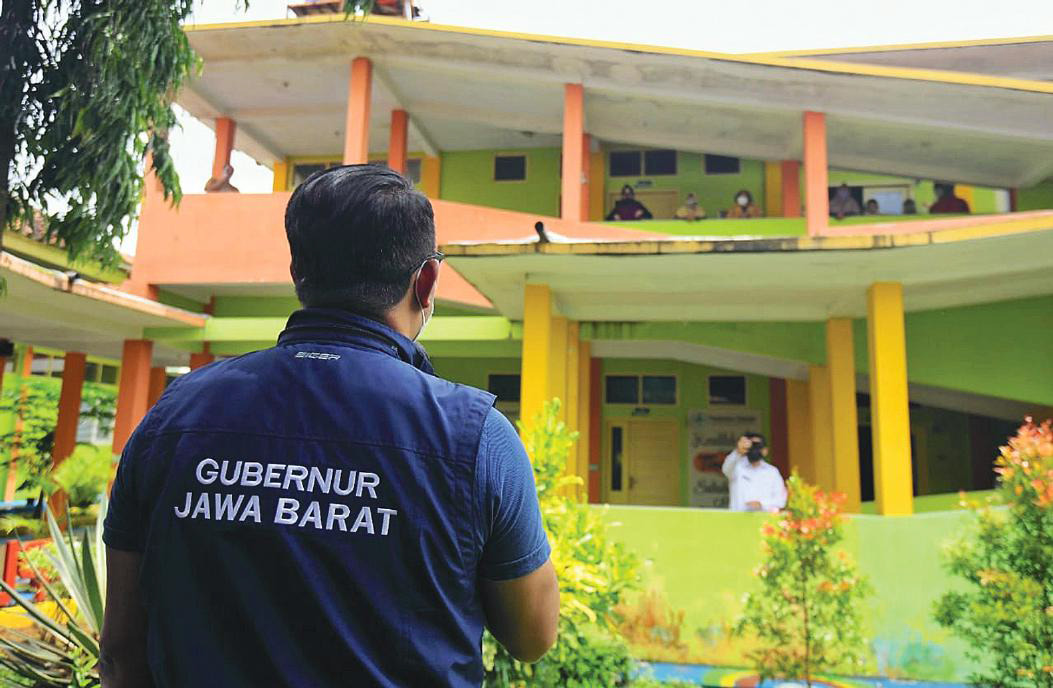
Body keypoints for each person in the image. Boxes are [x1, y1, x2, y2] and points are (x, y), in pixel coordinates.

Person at [100, 165, 559, 687]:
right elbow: (532, 636)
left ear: (299, 272)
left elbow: (120, 651)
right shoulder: (476, 437)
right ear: (426, 281)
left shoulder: (174, 415)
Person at [721, 433, 787, 513]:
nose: (754, 449)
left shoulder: (772, 472)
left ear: (765, 451)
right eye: (752, 446)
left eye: (757, 446)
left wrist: (761, 504)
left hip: (763, 521)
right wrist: (738, 451)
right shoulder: (737, 468)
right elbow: (726, 468)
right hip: (738, 520)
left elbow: (781, 500)